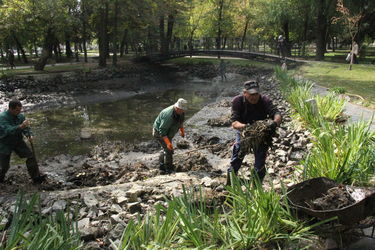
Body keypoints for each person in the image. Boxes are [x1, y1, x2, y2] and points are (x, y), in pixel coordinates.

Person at [227, 80, 282, 185]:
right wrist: (247, 127)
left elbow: (277, 113)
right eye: (251, 94)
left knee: (260, 161)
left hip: (261, 133)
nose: (254, 97)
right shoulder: (238, 101)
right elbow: (234, 123)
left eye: (256, 94)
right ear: (245, 93)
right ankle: (230, 184)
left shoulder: (264, 100)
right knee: (238, 153)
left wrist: (274, 123)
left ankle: (256, 188)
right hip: (244, 133)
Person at [0, 99, 46, 184]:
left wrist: (29, 135)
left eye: (20, 109)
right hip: (4, 143)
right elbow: (8, 130)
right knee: (4, 166)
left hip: (17, 141)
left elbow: (26, 128)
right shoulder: (2, 118)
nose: (19, 112)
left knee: (31, 156)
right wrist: (21, 126)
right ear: (10, 109)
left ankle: (35, 178)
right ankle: (1, 180)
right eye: (17, 110)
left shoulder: (20, 116)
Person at [153, 98, 187, 173]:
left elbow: (180, 121)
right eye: (181, 110)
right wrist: (168, 143)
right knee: (168, 150)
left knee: (165, 149)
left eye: (183, 110)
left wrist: (182, 131)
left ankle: (161, 165)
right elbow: (162, 131)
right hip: (159, 132)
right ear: (177, 108)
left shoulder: (181, 112)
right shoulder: (168, 115)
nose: (183, 111)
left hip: (168, 132)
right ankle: (168, 169)